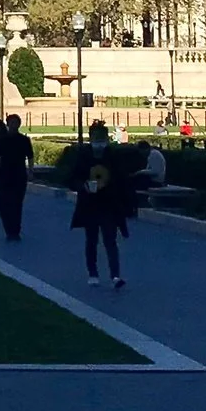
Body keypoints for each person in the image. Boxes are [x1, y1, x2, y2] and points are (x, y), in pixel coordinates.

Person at [67, 121, 139, 288]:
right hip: (89, 203)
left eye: (102, 137)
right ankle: (93, 273)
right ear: (91, 137)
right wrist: (83, 186)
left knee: (110, 239)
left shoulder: (113, 155)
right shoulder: (83, 156)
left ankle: (115, 275)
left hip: (109, 204)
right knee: (91, 240)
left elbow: (122, 179)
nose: (100, 141)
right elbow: (72, 178)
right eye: (96, 137)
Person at [0, 114, 34, 241]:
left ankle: (16, 230)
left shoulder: (24, 140)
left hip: (19, 174)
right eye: (11, 123)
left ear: (19, 124)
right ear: (8, 124)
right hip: (4, 174)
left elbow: (30, 156)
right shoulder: (1, 140)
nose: (14, 125)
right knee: (5, 204)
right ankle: (8, 230)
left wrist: (30, 171)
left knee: (17, 204)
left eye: (16, 123)